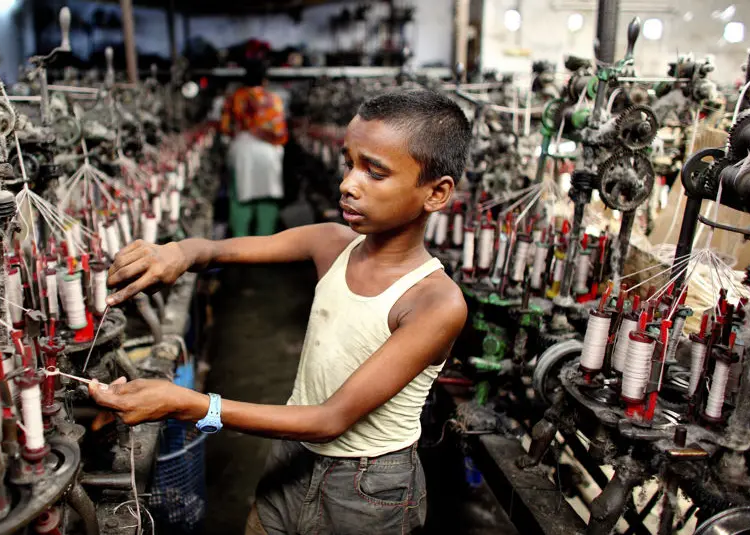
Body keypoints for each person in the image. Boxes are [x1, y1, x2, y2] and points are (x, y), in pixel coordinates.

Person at [91, 88, 471, 534]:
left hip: (367, 490)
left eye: (376, 172)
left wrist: (190, 405)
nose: (348, 183)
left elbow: (330, 419)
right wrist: (178, 251)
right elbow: (219, 248)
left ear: (436, 193)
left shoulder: (433, 303)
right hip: (291, 453)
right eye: (349, 163)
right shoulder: (331, 244)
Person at [220, 60, 289, 237]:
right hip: (268, 153)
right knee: (267, 198)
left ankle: (240, 247)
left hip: (242, 150)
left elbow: (226, 128)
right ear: (265, 80)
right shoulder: (273, 99)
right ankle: (265, 246)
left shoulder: (234, 98)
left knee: (240, 199)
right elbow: (280, 132)